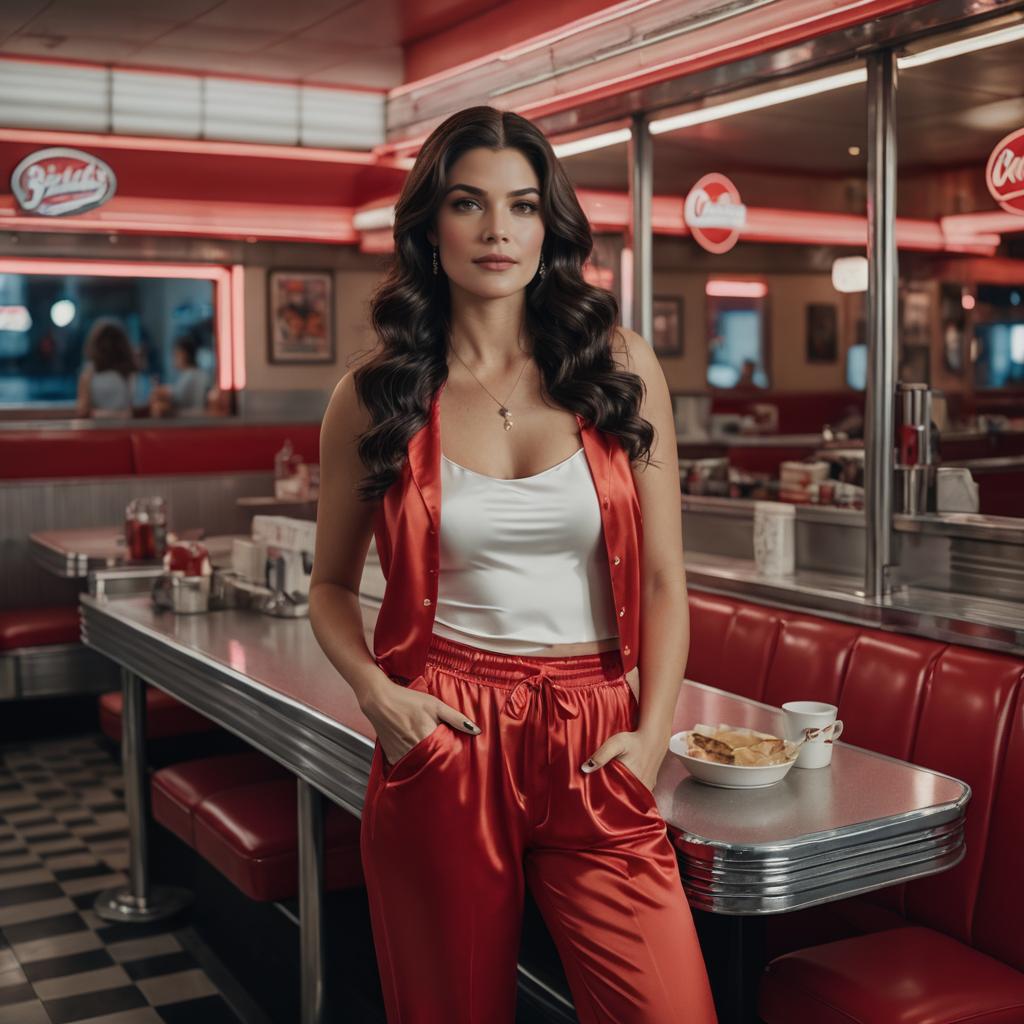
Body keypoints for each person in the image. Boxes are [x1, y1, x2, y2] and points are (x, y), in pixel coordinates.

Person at [308, 105, 717, 1024]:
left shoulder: (619, 366)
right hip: (448, 727)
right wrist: (380, 696)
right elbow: (329, 588)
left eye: (522, 206)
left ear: (549, 225)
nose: (497, 229)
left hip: (597, 735)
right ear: (430, 225)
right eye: (468, 203)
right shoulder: (374, 397)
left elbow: (662, 581)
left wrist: (651, 739)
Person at [75, 318, 142, 418]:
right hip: (124, 428)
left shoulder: (89, 372)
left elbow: (82, 410)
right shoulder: (130, 373)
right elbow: (135, 408)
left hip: (98, 428)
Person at [149, 334, 210, 416]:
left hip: (190, 422)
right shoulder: (199, 374)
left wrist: (160, 393)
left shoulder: (190, 375)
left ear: (184, 354)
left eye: (176, 355)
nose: (173, 359)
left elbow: (176, 397)